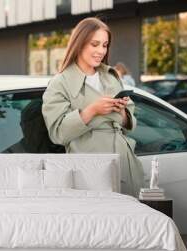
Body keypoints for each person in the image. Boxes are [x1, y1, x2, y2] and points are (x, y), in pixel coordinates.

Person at [41, 17, 144, 197]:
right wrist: (92, 110)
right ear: (79, 44)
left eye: (104, 45)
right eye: (94, 44)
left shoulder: (112, 76)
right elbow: (57, 133)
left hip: (125, 164)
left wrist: (122, 112)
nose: (100, 51)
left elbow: (131, 121)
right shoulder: (60, 83)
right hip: (90, 171)